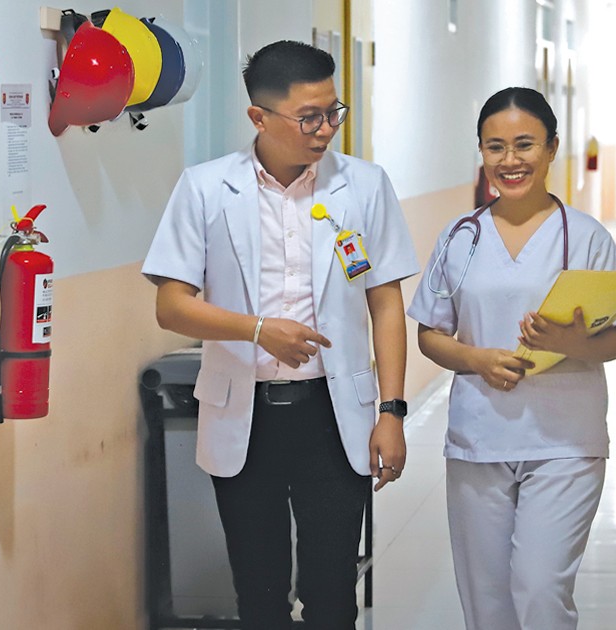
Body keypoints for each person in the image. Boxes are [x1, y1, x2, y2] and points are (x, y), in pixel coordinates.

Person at [142, 40, 418, 629]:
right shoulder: (206, 188)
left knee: (330, 594)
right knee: (259, 595)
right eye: (309, 117)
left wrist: (391, 411)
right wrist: (258, 330)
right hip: (247, 415)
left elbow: (385, 301)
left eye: (334, 112)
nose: (325, 130)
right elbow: (172, 306)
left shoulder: (364, 186)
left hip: (333, 414)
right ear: (259, 118)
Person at [406, 87, 616, 630]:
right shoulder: (460, 237)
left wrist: (567, 343)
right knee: (486, 603)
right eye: (495, 147)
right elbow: (430, 335)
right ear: (481, 152)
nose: (510, 161)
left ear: (552, 148)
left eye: (525, 145)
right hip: (479, 438)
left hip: (565, 439)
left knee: (539, 589)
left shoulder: (586, 238)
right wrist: (476, 359)